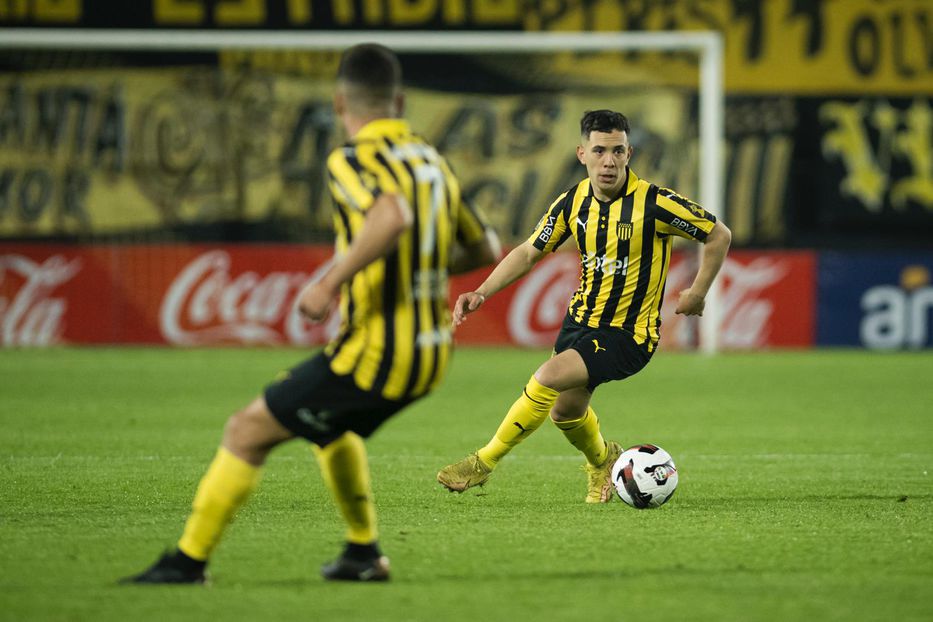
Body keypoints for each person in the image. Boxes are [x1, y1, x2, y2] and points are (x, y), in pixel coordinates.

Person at [122, 43, 498, 584]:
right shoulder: (431, 162)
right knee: (331, 429)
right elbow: (484, 246)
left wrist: (328, 283)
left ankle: (187, 562)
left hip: (378, 352)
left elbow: (389, 216)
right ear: (399, 100)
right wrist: (419, 271)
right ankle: (362, 554)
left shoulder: (351, 158)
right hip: (431, 350)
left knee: (245, 430)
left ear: (339, 100)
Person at [437, 109, 731, 503]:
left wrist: (698, 291)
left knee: (546, 376)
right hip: (579, 324)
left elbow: (718, 234)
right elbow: (528, 252)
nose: (608, 161)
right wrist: (482, 291)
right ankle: (604, 461)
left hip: (629, 335)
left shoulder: (656, 203)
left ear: (629, 154)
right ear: (582, 154)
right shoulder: (572, 202)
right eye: (599, 151)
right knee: (565, 413)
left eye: (618, 151)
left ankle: (483, 463)